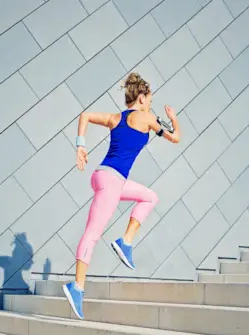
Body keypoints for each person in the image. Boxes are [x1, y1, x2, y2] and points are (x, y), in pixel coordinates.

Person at [62, 72, 182, 320]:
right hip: (112, 182)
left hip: (105, 177)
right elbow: (175, 138)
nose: (151, 104)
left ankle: (125, 242)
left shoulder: (116, 118)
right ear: (141, 97)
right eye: (149, 99)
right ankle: (77, 287)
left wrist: (81, 145)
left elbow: (84, 115)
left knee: (149, 197)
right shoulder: (147, 117)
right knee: (92, 234)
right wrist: (173, 119)